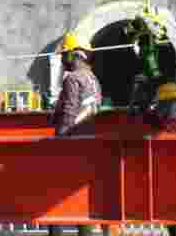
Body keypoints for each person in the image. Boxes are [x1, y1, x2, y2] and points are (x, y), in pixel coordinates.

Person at [48, 33, 102, 236]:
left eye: (65, 55)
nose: (63, 59)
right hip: (89, 144)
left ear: (75, 55)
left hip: (71, 144)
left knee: (54, 195)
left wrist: (60, 140)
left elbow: (70, 111)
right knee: (80, 196)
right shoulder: (93, 79)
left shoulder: (72, 79)